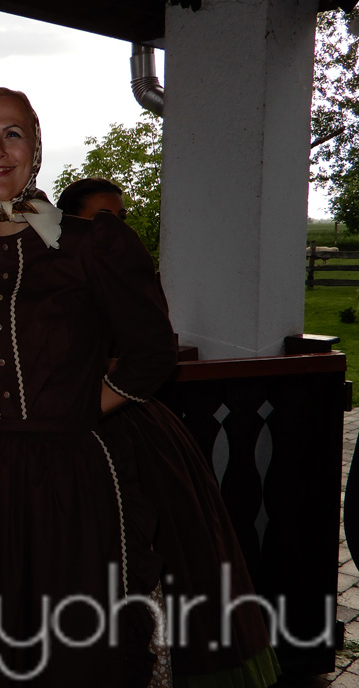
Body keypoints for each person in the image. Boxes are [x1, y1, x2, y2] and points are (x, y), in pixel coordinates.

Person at [0, 86, 262, 687]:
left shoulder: (92, 244)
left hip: (71, 478)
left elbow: (152, 350)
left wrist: (82, 408)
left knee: (75, 645)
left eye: (12, 134)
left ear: (36, 149)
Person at [56, 176, 280, 687]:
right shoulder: (58, 270)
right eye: (100, 217)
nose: (113, 228)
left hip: (134, 425)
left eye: (119, 217)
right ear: (69, 222)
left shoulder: (123, 271)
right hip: (70, 434)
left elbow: (149, 346)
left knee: (176, 553)